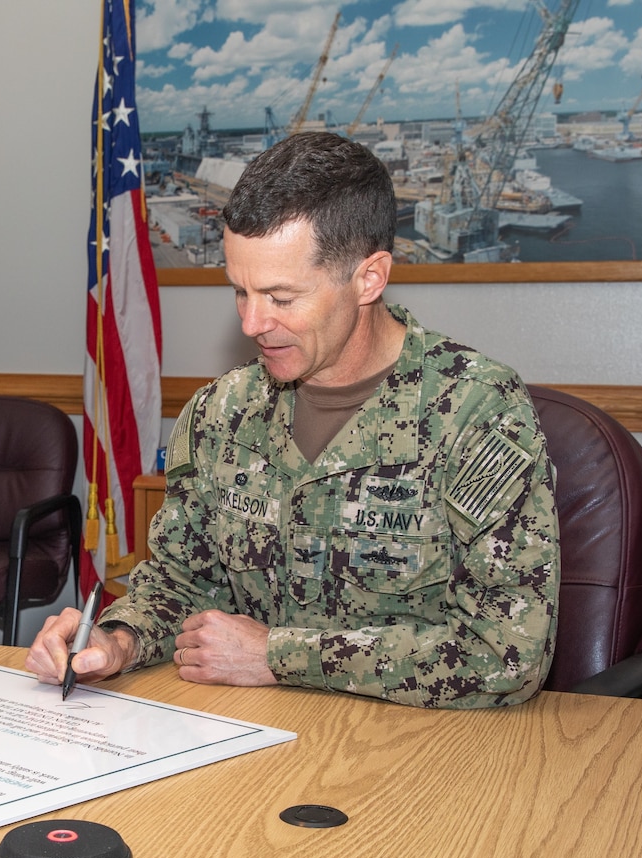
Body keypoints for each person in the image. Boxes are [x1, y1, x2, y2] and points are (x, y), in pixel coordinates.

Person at [28, 132, 559, 708]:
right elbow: (183, 579)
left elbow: (509, 652)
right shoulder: (221, 413)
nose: (254, 323)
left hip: (419, 749)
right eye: (240, 292)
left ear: (369, 278)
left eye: (281, 298)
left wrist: (280, 655)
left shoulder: (475, 412)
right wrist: (118, 639)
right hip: (246, 735)